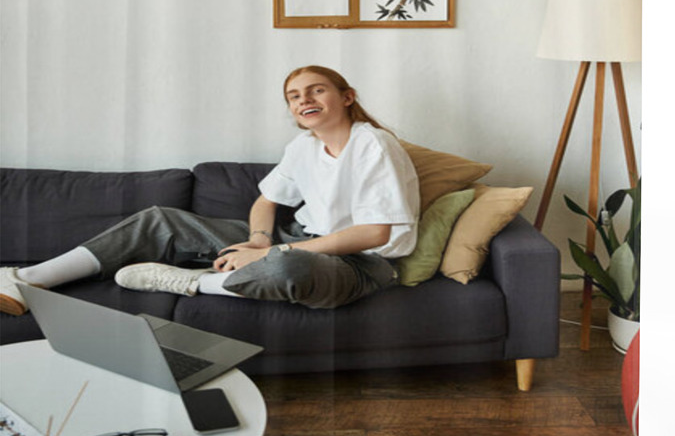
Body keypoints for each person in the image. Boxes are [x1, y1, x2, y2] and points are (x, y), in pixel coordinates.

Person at [0, 66, 420, 314]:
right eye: (294, 96)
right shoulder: (304, 146)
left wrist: (271, 253)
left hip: (357, 263)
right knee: (160, 219)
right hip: (293, 241)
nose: (303, 99)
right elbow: (265, 200)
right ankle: (26, 279)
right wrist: (258, 237)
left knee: (289, 270)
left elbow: (374, 233)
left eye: (316, 90)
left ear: (346, 97)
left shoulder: (373, 144)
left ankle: (190, 283)